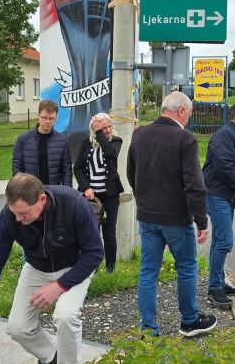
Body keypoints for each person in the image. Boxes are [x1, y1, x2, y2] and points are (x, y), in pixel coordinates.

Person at [0, 173, 103, 364]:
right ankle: (50, 355)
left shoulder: (74, 204)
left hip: (76, 265)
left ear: (42, 199)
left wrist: (59, 286)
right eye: (15, 213)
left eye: (24, 214)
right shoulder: (10, 216)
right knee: (17, 327)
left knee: (65, 315)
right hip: (37, 267)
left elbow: (94, 253)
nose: (18, 220)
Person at [126, 91, 216, 337]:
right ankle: (189, 320)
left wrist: (143, 199)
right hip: (176, 218)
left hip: (147, 217)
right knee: (186, 267)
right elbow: (194, 184)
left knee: (148, 271)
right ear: (182, 111)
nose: (188, 120)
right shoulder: (184, 139)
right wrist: (201, 220)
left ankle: (149, 328)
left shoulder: (140, 134)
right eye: (189, 115)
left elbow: (131, 173)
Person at [201, 104, 235, 309]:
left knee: (220, 241)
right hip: (216, 194)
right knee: (224, 240)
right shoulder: (223, 136)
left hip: (228, 195)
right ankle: (214, 289)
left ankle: (218, 282)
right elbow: (223, 167)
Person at [73, 112, 124, 273]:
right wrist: (86, 187)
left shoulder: (115, 141)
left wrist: (99, 132)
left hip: (110, 196)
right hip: (91, 197)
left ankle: (110, 269)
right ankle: (92, 269)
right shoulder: (86, 143)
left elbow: (109, 153)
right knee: (92, 233)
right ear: (93, 129)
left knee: (109, 234)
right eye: (104, 128)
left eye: (109, 126)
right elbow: (78, 167)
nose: (108, 130)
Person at [12, 99, 72, 186]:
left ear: (56, 117)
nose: (47, 121)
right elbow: (17, 167)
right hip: (29, 191)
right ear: (38, 116)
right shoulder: (22, 140)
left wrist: (67, 193)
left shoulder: (62, 141)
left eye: (51, 118)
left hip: (53, 191)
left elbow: (66, 171)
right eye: (44, 117)